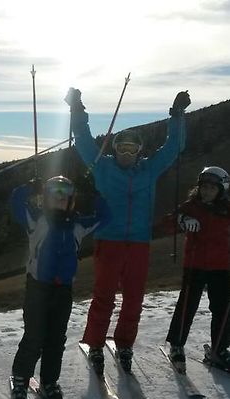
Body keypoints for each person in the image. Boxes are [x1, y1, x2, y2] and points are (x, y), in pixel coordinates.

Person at [65, 87, 191, 373]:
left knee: (134, 298)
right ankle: (96, 344)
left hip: (139, 244)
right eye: (122, 147)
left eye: (132, 149)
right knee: (104, 296)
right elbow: (83, 140)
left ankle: (124, 344)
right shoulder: (102, 168)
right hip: (108, 241)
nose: (126, 153)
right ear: (114, 150)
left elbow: (174, 147)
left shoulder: (149, 169)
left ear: (139, 152)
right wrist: (77, 110)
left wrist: (177, 115)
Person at [10, 175, 110, 399]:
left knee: (56, 339)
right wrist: (29, 186)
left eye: (64, 196)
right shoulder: (37, 219)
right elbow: (15, 202)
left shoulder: (78, 224)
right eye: (53, 195)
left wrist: (93, 195)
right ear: (45, 198)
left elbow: (105, 217)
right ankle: (21, 379)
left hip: (63, 290)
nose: (59, 200)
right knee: (34, 336)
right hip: (37, 288)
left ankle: (49, 382)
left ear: (71, 201)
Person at [166, 167, 230, 371]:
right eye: (204, 187)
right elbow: (168, 222)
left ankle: (219, 349)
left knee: (222, 308)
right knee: (187, 304)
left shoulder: (227, 208)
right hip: (195, 263)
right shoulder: (191, 206)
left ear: (222, 189)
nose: (207, 191)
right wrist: (183, 219)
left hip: (222, 266)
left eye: (212, 187)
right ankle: (177, 344)